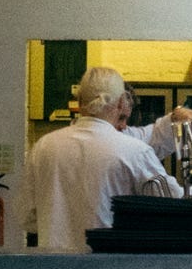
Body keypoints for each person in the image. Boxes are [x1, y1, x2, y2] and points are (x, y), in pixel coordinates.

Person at [23, 66, 182, 251]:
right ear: (122, 102)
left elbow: (27, 217)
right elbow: (171, 208)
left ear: (80, 101)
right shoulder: (136, 152)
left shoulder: (43, 147)